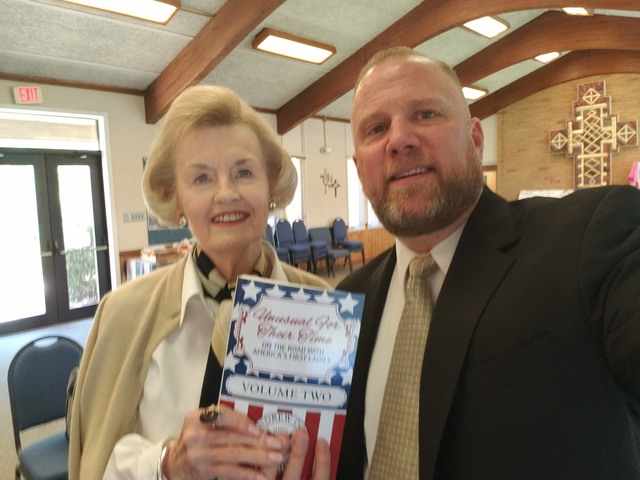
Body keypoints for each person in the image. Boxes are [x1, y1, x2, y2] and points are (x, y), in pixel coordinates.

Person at [336, 46, 640, 479]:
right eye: (376, 128)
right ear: (359, 168)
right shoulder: (349, 300)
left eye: (425, 114)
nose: (399, 139)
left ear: (475, 140)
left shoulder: (587, 239)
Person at [68, 85, 331, 480]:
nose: (226, 193)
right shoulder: (122, 314)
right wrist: (167, 464)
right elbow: (95, 462)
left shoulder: (326, 306)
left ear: (271, 187)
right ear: (175, 199)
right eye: (202, 178)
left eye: (244, 172)